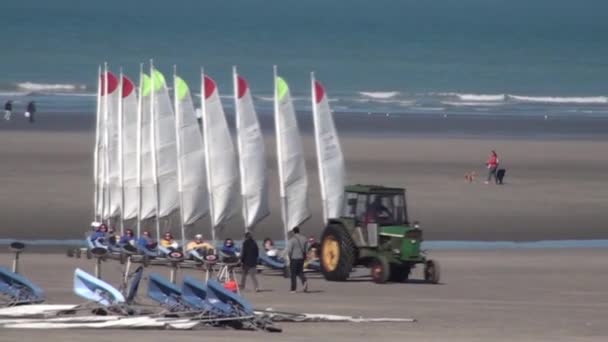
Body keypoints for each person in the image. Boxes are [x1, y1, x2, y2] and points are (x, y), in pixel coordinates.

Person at [286, 226, 308, 293]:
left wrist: (289, 258)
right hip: (301, 258)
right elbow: (306, 249)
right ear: (299, 231)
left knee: (293, 274)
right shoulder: (304, 239)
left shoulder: (292, 240)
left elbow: (289, 251)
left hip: (294, 258)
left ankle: (293, 289)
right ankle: (304, 281)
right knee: (300, 272)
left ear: (293, 232)